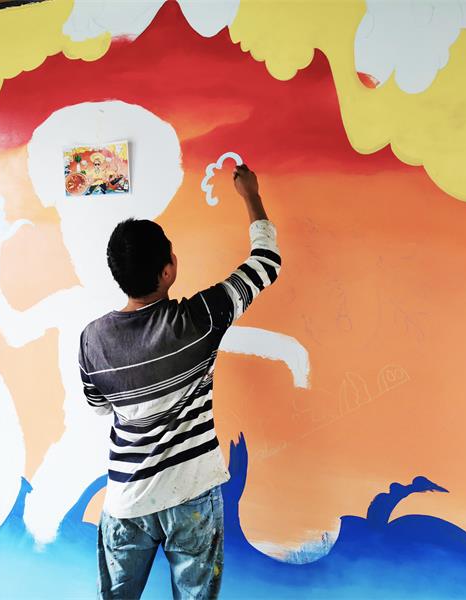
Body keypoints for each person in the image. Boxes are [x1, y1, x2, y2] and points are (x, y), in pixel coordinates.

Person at [78, 164, 282, 599]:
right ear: (168, 270)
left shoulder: (92, 339)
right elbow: (266, 262)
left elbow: (99, 407)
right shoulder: (200, 320)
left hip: (127, 500)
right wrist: (250, 195)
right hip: (192, 496)